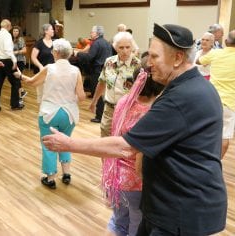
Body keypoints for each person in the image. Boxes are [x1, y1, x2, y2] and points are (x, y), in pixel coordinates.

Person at [43, 23, 227, 236]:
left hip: (182, 211)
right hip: (170, 205)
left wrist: (69, 144)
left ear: (177, 58)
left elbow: (126, 147)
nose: (149, 65)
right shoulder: (192, 86)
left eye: (156, 57)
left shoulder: (183, 97)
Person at [103, 55, 164, 236]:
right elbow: (141, 156)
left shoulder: (124, 101)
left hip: (115, 176)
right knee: (137, 227)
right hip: (136, 183)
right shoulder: (153, 111)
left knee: (118, 222)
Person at [14, 38, 86, 189]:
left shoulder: (49, 68)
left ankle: (51, 178)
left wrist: (20, 76)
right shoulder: (76, 71)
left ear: (56, 53)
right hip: (69, 114)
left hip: (50, 113)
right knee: (66, 142)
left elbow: (32, 82)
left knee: (48, 145)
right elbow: (82, 96)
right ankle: (66, 174)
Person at [91, 31, 141, 137]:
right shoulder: (109, 62)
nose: (125, 51)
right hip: (109, 109)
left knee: (123, 141)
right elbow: (102, 83)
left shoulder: (138, 65)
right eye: (121, 47)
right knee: (105, 140)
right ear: (115, 47)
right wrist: (94, 101)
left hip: (128, 111)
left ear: (132, 47)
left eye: (128, 47)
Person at [197, 30, 235, 158]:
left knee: (204, 131)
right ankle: (215, 162)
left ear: (224, 42)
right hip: (229, 103)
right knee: (224, 137)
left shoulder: (216, 53)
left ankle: (200, 159)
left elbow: (198, 61)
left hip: (211, 100)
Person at [74, 25, 112, 123]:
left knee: (98, 93)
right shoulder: (107, 43)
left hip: (97, 72)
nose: (90, 33)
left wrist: (77, 54)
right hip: (106, 71)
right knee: (104, 94)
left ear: (97, 33)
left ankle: (99, 116)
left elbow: (90, 57)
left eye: (92, 32)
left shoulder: (96, 43)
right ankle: (104, 115)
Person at [0, 19, 23, 112]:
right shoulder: (7, 35)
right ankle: (15, 104)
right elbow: (8, 50)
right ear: (8, 26)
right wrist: (14, 60)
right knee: (16, 82)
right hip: (7, 61)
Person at [11, 25, 28, 104]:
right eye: (14, 31)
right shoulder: (11, 39)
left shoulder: (20, 39)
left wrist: (16, 52)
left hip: (20, 61)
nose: (15, 32)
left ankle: (20, 97)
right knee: (16, 79)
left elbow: (24, 50)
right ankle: (22, 92)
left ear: (19, 32)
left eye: (17, 31)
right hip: (14, 61)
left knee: (17, 79)